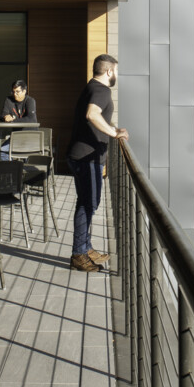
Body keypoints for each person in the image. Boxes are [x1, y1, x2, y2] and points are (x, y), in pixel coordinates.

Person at [68, 54, 126, 272]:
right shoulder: (102, 90)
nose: (117, 76)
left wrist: (112, 127)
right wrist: (113, 132)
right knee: (88, 204)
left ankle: (85, 247)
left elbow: (95, 116)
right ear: (109, 71)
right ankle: (78, 254)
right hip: (86, 158)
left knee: (87, 203)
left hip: (82, 156)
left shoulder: (91, 87)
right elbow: (92, 114)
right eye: (116, 71)